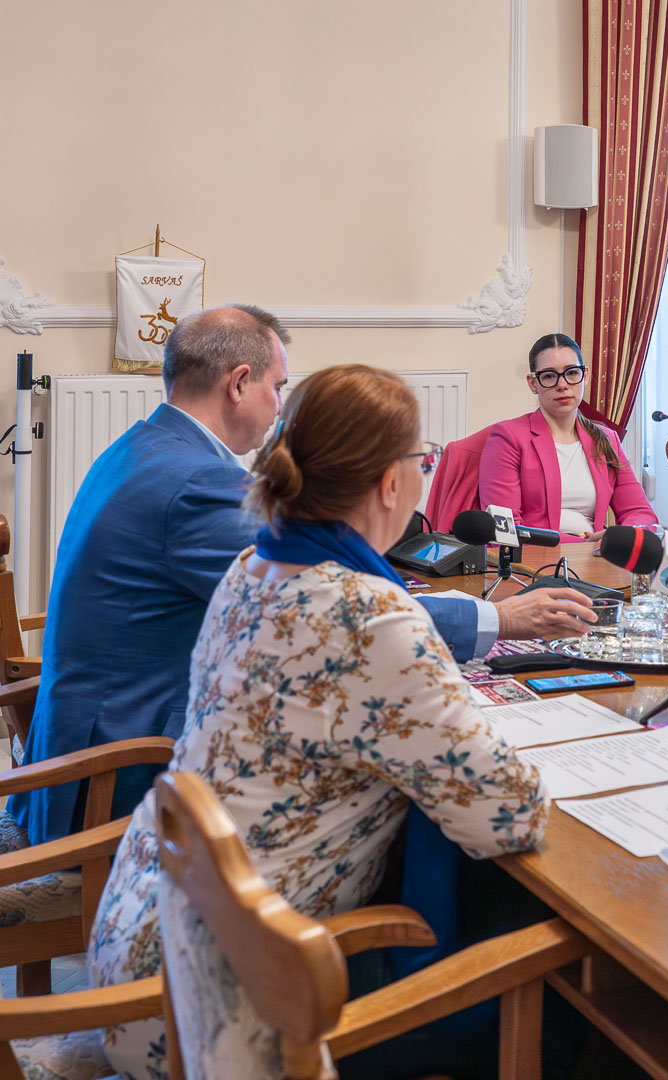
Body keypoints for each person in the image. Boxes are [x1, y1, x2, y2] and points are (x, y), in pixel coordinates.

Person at [88, 365, 554, 1079]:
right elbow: (509, 817)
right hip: (240, 1005)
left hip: (145, 948)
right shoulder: (371, 615)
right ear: (390, 483)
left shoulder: (253, 567)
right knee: (566, 989)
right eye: (423, 460)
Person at [12, 305, 592, 847]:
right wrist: (500, 616)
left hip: (102, 734)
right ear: (239, 383)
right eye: (277, 386)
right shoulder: (198, 484)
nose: (277, 405)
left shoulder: (146, 446)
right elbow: (341, 609)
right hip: (119, 778)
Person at [479, 332, 657, 541]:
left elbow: (640, 513)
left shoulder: (606, 439)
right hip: (537, 558)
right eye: (549, 376)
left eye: (572, 373)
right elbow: (504, 531)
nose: (562, 384)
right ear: (533, 383)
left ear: (585, 376)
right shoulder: (508, 437)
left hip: (596, 555)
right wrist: (586, 544)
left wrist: (619, 537)